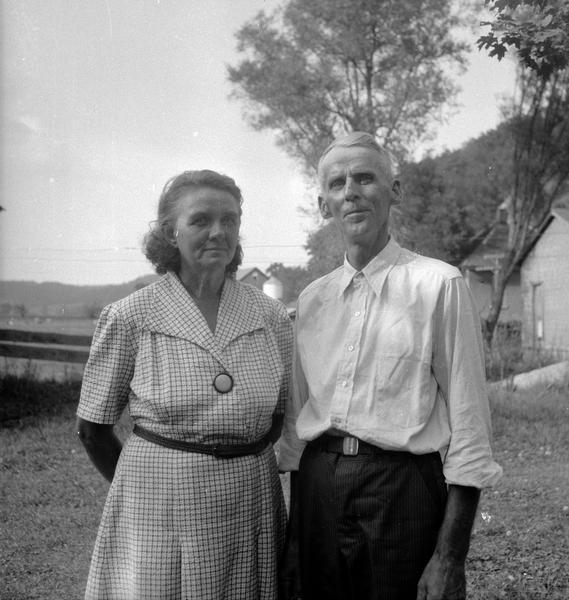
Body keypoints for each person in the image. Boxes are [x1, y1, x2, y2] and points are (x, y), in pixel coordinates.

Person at [278, 132, 502, 600]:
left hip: (402, 488)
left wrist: (449, 558)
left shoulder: (438, 285)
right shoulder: (313, 300)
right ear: (324, 205)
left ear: (394, 191)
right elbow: (299, 434)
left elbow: (470, 427)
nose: (351, 191)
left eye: (365, 178)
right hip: (319, 485)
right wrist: (298, 544)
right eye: (338, 184)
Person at [76, 169, 292, 600]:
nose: (218, 232)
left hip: (251, 500)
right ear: (170, 233)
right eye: (200, 220)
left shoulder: (269, 315)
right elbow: (92, 428)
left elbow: (279, 416)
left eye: (229, 220)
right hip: (159, 505)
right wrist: (148, 485)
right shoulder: (131, 316)